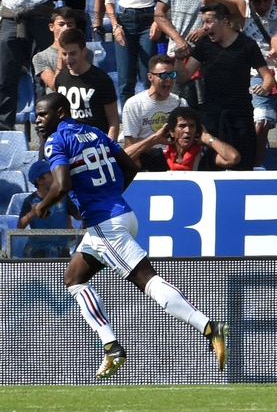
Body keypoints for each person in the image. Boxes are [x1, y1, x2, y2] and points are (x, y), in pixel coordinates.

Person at [33, 92, 229, 378]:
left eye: (42, 114)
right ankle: (111, 346)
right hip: (120, 215)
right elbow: (130, 167)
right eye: (36, 115)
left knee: (148, 281)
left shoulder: (56, 141)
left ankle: (209, 327)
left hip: (105, 225)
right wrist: (107, 197)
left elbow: (61, 185)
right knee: (74, 278)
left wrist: (42, 205)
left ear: (61, 113)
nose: (37, 120)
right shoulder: (95, 132)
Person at [202, 0, 277, 166]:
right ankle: (256, 166)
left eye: (266, 0)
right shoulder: (242, 7)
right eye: (258, 2)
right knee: (261, 121)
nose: (263, 6)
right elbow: (208, 1)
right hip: (257, 71)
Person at [174, 2, 274, 170]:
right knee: (211, 164)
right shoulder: (205, 44)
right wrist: (177, 59)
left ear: (224, 21)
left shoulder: (247, 45)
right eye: (203, 22)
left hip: (240, 115)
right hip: (212, 115)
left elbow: (267, 77)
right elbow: (183, 76)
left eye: (208, 22)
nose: (204, 27)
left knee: (243, 162)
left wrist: (264, 87)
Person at [152, 0, 236, 107]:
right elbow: (159, 14)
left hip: (211, 57)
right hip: (179, 58)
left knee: (212, 112)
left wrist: (207, 29)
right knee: (181, 113)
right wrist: (178, 39)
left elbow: (234, 10)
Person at [0, 0, 57, 131]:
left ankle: (47, 134)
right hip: (11, 19)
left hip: (41, 18)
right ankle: (4, 135)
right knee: (5, 79)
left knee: (44, 80)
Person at [104, 0, 165, 106]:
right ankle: (128, 119)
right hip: (124, 19)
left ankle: (151, 115)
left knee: (148, 76)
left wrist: (157, 21)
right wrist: (115, 26)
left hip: (148, 16)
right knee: (125, 79)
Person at [124, 105, 240, 170]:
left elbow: (232, 158)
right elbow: (121, 160)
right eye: (182, 126)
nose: (187, 131)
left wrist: (208, 138)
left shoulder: (206, 158)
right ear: (172, 132)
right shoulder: (159, 157)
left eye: (192, 126)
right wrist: (154, 139)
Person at [54, 29, 120, 141]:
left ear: (84, 51)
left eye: (73, 54)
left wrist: (109, 149)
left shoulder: (101, 79)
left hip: (95, 143)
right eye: (64, 54)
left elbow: (113, 121)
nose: (68, 59)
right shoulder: (60, 79)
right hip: (69, 143)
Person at [17, 159, 83, 258]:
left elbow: (78, 216)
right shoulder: (30, 201)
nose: (56, 177)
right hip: (38, 251)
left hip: (61, 249)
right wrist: (31, 213)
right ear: (40, 180)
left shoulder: (64, 198)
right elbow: (20, 226)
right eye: (52, 174)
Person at [122, 54, 188, 148]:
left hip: (173, 159)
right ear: (150, 77)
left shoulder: (181, 103)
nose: (168, 79)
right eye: (164, 75)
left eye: (172, 75)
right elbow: (129, 148)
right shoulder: (134, 105)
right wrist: (154, 140)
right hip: (146, 158)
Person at [32, 7, 95, 95]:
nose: (66, 28)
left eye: (70, 25)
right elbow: (55, 86)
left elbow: (84, 82)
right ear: (51, 27)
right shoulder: (40, 58)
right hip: (56, 103)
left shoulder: (85, 53)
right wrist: (61, 57)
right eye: (61, 24)